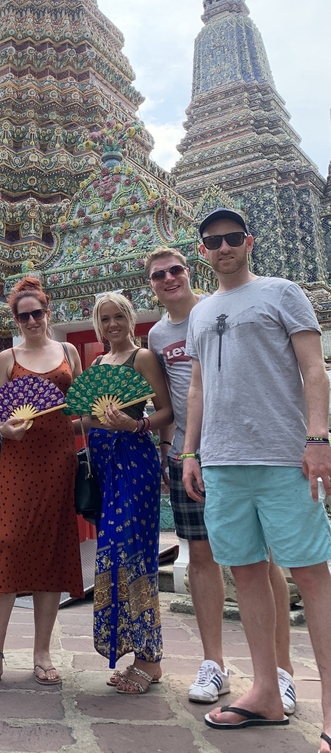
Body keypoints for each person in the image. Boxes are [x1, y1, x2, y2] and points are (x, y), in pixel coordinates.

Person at [182, 208, 331, 745]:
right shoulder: (201, 313)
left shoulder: (283, 292)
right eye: (211, 241)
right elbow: (197, 388)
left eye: (231, 238)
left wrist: (318, 439)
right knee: (244, 573)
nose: (222, 247)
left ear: (248, 242)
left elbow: (314, 368)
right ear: (203, 250)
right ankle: (266, 692)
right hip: (221, 460)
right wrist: (190, 452)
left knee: (311, 573)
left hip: (281, 454)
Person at [147, 246, 297, 712]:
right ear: (151, 284)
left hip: (245, 448)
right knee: (201, 555)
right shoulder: (156, 335)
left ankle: (279, 671)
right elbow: (170, 399)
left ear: (191, 271)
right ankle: (214, 664)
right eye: (158, 275)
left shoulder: (222, 308)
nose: (169, 279)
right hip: (191, 454)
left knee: (259, 558)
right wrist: (170, 452)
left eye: (175, 270)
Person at [0, 276, 83, 692]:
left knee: (50, 547)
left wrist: (107, 414)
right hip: (18, 458)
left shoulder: (68, 351)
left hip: (59, 458)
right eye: (23, 315)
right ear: (15, 319)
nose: (31, 320)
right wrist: (4, 429)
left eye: (37, 312)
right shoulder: (6, 357)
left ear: (48, 312)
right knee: (9, 544)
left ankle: (42, 651)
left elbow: (77, 409)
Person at [85, 291, 173, 694]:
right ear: (98, 325)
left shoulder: (142, 358)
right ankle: (132, 652)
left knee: (132, 550)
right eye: (105, 319)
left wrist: (136, 426)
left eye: (118, 316)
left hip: (135, 459)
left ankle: (149, 659)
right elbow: (85, 417)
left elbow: (166, 409)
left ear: (130, 318)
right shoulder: (99, 363)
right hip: (104, 462)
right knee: (112, 555)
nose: (112, 325)